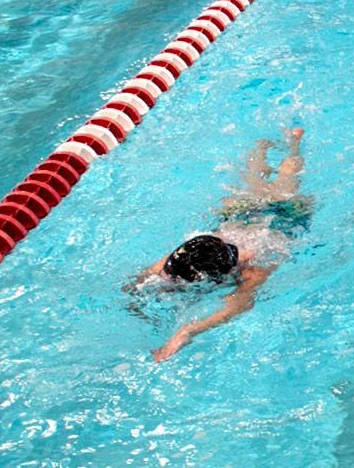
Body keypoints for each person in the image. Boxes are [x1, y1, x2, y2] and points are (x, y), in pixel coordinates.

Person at [133, 127, 312, 362]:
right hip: (240, 217)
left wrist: (187, 330)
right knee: (259, 184)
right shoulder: (190, 253)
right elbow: (144, 276)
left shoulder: (254, 270)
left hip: (285, 218)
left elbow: (237, 306)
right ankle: (271, 145)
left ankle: (290, 145)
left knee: (283, 183)